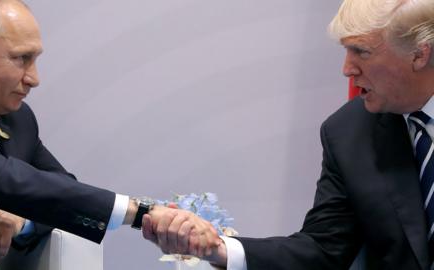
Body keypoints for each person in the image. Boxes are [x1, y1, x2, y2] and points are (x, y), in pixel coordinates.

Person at [144, 0, 434, 269]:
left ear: (420, 54)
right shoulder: (349, 132)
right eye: (346, 51)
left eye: (361, 51)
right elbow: (323, 249)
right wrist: (217, 249)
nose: (347, 69)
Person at [0, 0, 221, 269]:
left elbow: (56, 187)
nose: (34, 78)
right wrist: (139, 212)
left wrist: (19, 219)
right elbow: (8, 180)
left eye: (35, 59)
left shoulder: (17, 119)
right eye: (21, 58)